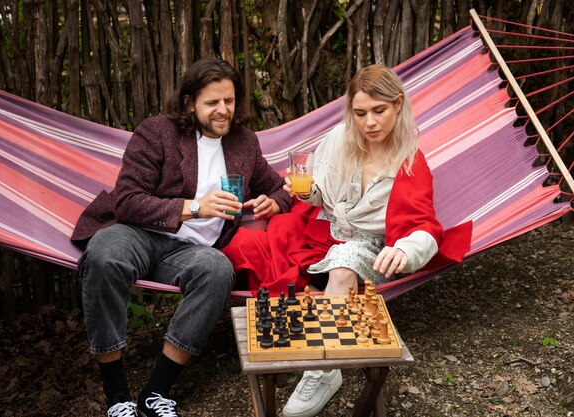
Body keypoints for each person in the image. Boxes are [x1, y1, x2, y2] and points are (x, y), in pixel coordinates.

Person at [222, 64, 472, 417]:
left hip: (371, 248)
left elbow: (424, 226)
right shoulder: (339, 138)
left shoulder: (410, 161)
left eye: (379, 111)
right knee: (254, 240)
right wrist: (305, 192)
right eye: (360, 113)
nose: (369, 122)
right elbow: (317, 193)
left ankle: (323, 372)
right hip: (325, 232)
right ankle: (281, 335)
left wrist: (404, 250)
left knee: (343, 265)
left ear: (398, 104)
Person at [71, 58, 292, 417]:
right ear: (190, 103)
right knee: (103, 255)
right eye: (212, 103)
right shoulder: (157, 132)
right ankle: (117, 397)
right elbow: (127, 202)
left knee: (219, 270)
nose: (223, 111)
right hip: (139, 234)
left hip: (193, 251)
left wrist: (274, 201)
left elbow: (280, 187)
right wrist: (193, 207)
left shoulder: (244, 143)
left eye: (230, 101)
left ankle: (155, 392)